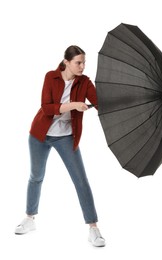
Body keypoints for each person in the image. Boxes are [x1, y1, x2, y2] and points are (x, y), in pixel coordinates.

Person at [15, 45, 105, 247]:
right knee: (36, 176)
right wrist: (73, 105)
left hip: (66, 137)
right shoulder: (51, 77)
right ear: (66, 62)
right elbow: (46, 108)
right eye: (78, 62)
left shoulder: (85, 83)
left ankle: (93, 228)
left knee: (81, 180)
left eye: (84, 63)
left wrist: (128, 100)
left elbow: (101, 102)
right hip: (40, 135)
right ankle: (30, 218)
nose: (82, 66)